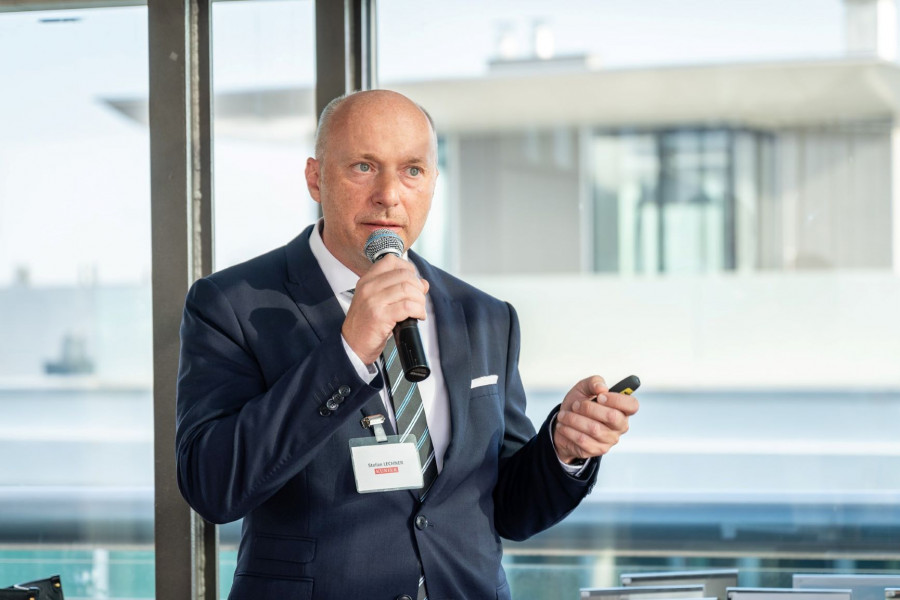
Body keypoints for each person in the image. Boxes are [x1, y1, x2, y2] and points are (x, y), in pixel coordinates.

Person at [175, 89, 639, 600]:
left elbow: (508, 508)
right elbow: (212, 487)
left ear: (433, 183)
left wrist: (562, 449)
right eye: (364, 167)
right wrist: (347, 353)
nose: (389, 195)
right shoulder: (230, 304)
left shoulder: (485, 315)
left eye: (412, 170)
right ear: (315, 177)